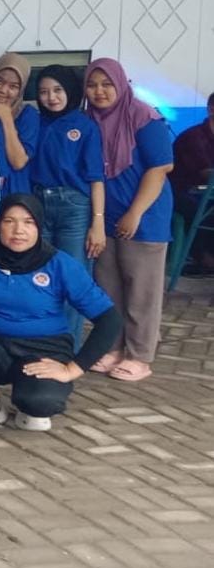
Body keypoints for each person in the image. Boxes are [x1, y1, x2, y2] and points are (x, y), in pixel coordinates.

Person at [0, 195, 125, 433]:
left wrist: (72, 369)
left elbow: (109, 320)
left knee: (40, 404)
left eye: (28, 222)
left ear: (39, 226)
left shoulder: (60, 264)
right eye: (9, 221)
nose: (18, 230)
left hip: (43, 350)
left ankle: (27, 403)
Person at [85, 59, 174, 383]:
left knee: (142, 291)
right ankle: (113, 347)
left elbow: (160, 168)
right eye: (92, 85)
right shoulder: (89, 120)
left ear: (121, 84)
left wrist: (135, 212)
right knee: (110, 287)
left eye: (107, 84)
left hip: (145, 217)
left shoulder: (144, 117)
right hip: (105, 217)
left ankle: (140, 355)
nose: (99, 91)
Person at [32, 65, 106, 341]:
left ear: (71, 91)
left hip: (74, 207)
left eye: (57, 90)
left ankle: (68, 348)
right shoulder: (35, 122)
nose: (51, 97)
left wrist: (97, 222)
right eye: (43, 92)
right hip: (38, 205)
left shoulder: (85, 126)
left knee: (73, 277)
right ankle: (42, 343)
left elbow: (96, 178)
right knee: (40, 276)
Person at [171, 92, 214, 273]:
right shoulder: (193, 137)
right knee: (203, 211)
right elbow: (206, 174)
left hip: (205, 192)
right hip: (180, 191)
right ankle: (203, 259)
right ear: (211, 109)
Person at [0, 53, 38, 196]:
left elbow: (18, 161)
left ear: (21, 90)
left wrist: (7, 119)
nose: (3, 90)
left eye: (13, 86)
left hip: (14, 194)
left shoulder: (27, 115)